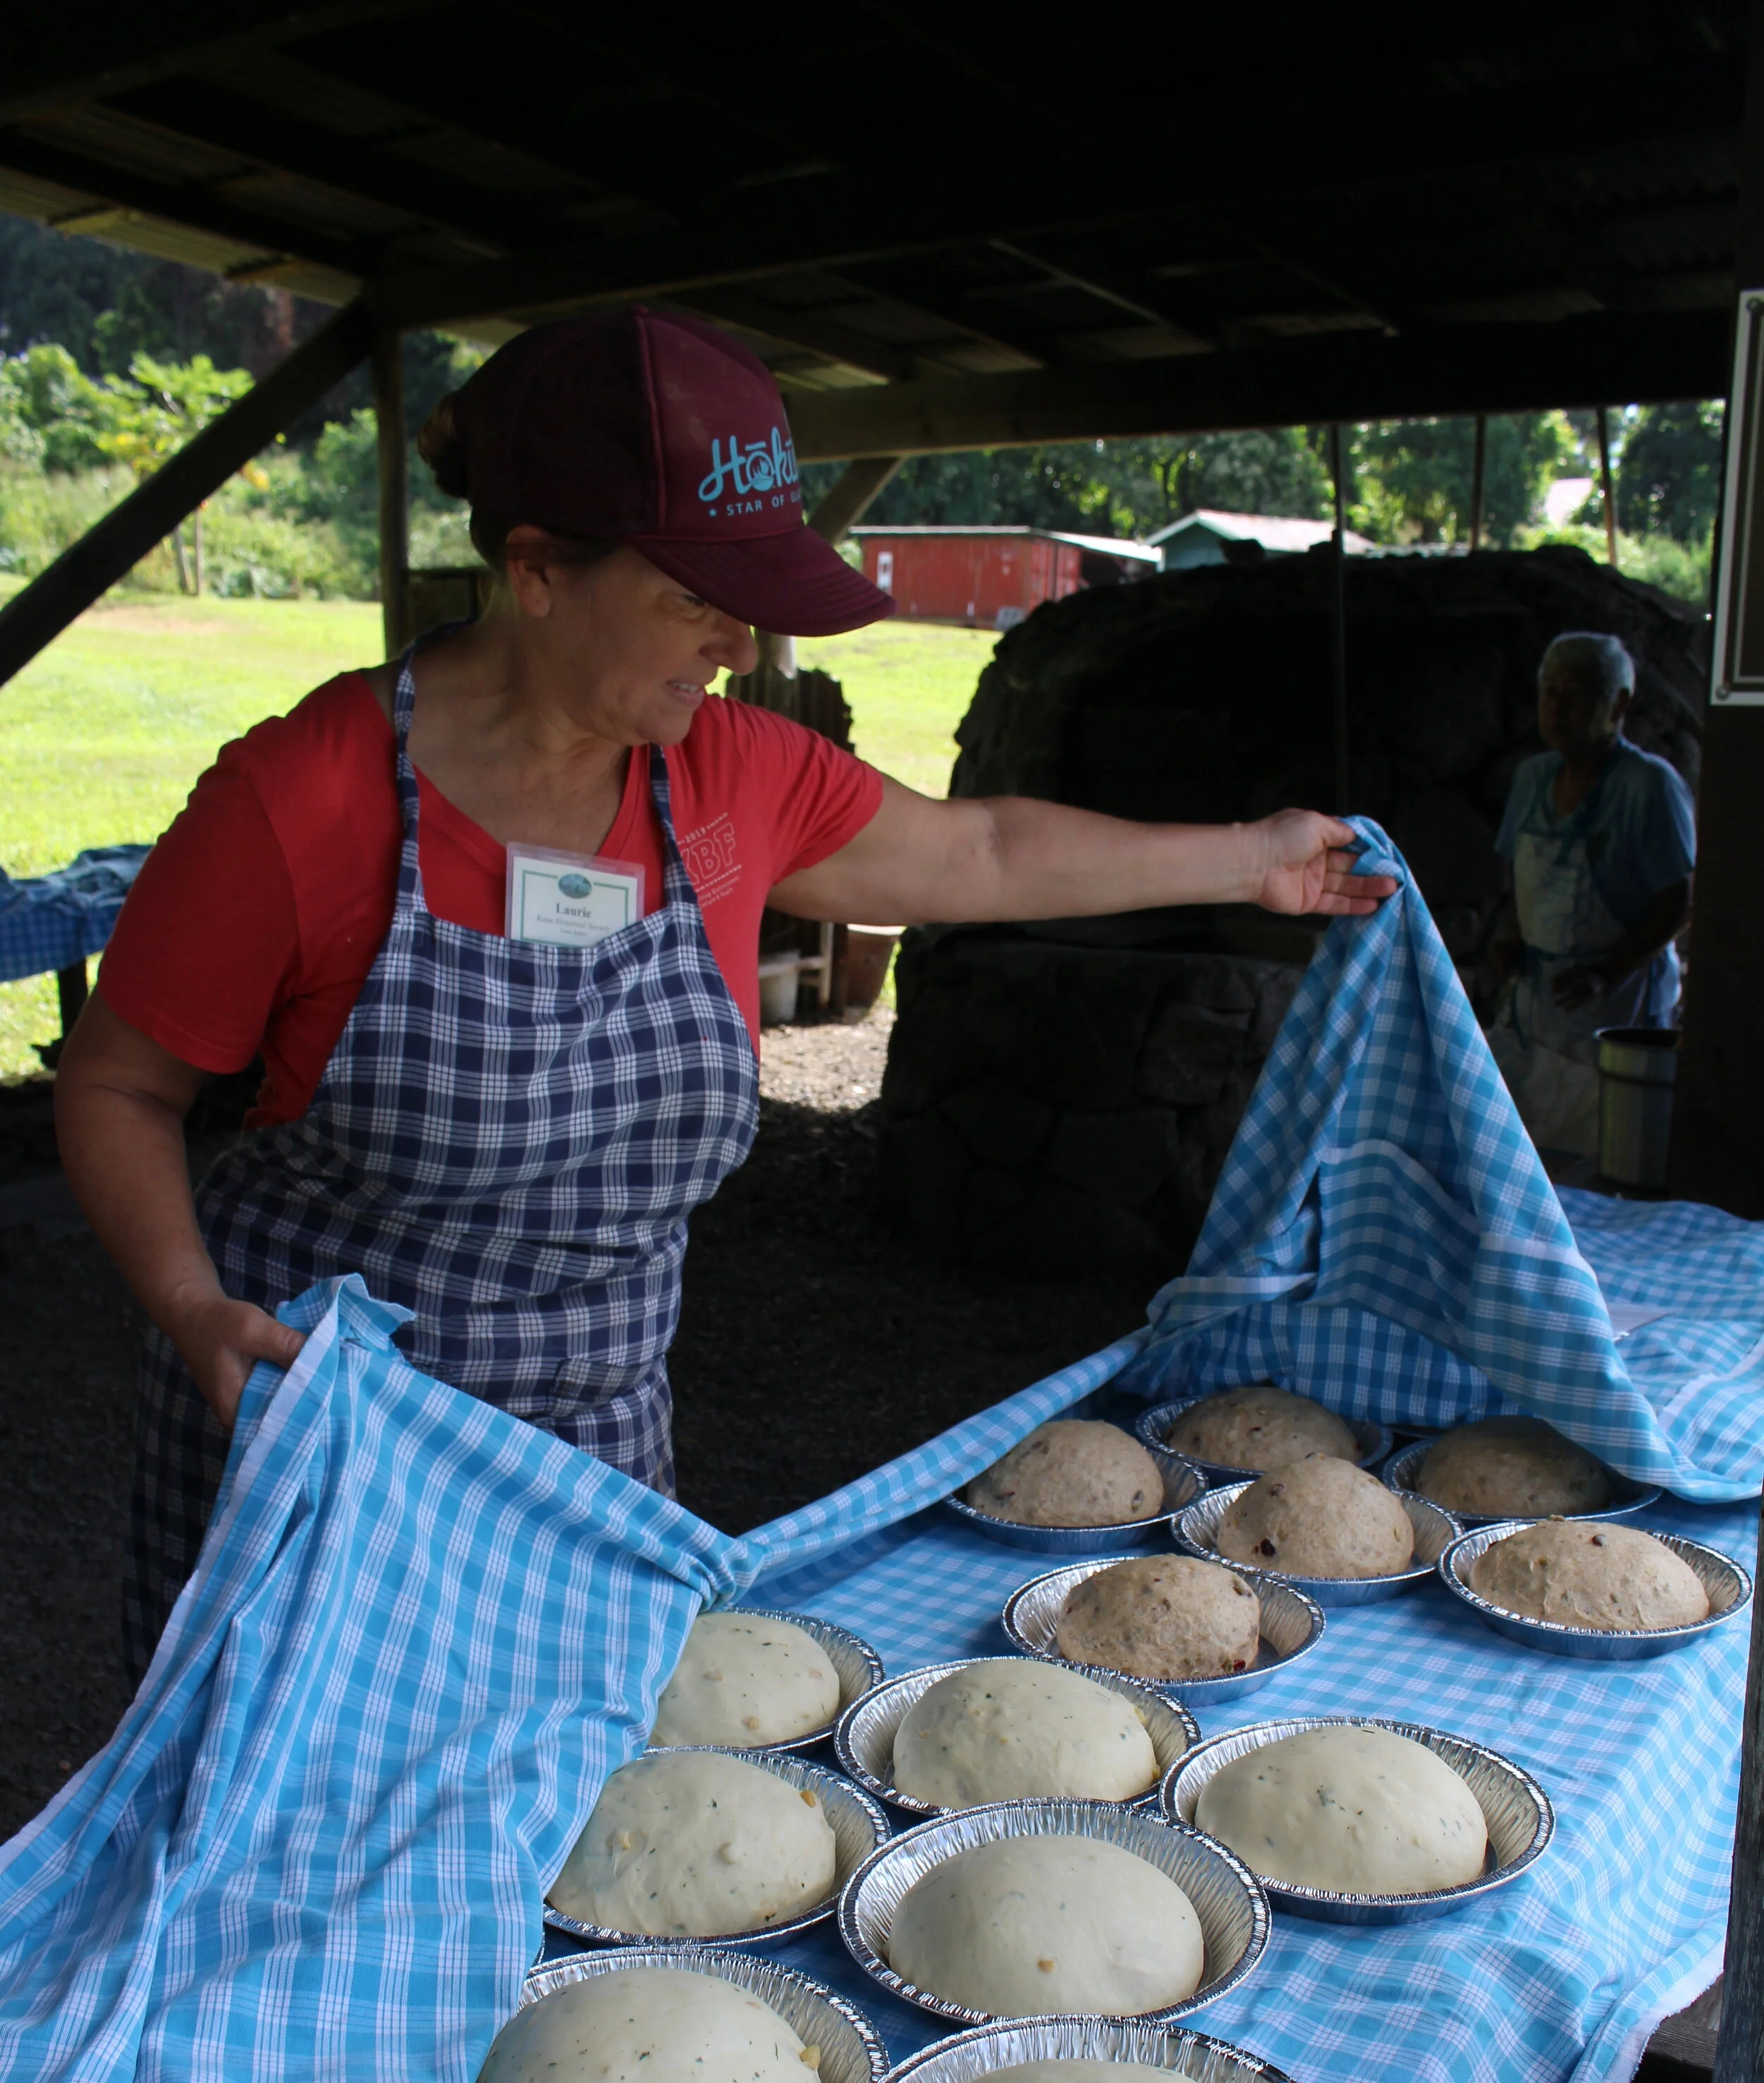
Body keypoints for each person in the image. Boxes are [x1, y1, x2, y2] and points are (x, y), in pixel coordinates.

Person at [55, 306, 1397, 1683]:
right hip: (331, 1479)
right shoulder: (302, 800)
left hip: (601, 1475)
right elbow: (115, 1085)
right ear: (534, 571)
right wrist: (187, 1303)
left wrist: (1252, 860)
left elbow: (978, 849)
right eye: (693, 600)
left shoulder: (733, 773)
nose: (741, 649)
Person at [1485, 631, 1695, 1156]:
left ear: (1618, 703)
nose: (1555, 709)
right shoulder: (1532, 780)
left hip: (1615, 1009)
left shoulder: (1648, 787)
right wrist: (1512, 939)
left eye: (1573, 694)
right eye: (1548, 693)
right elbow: (1521, 885)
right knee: (1528, 1149)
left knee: (1606, 1153)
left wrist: (1606, 972)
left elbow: (1680, 904)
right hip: (1539, 1002)